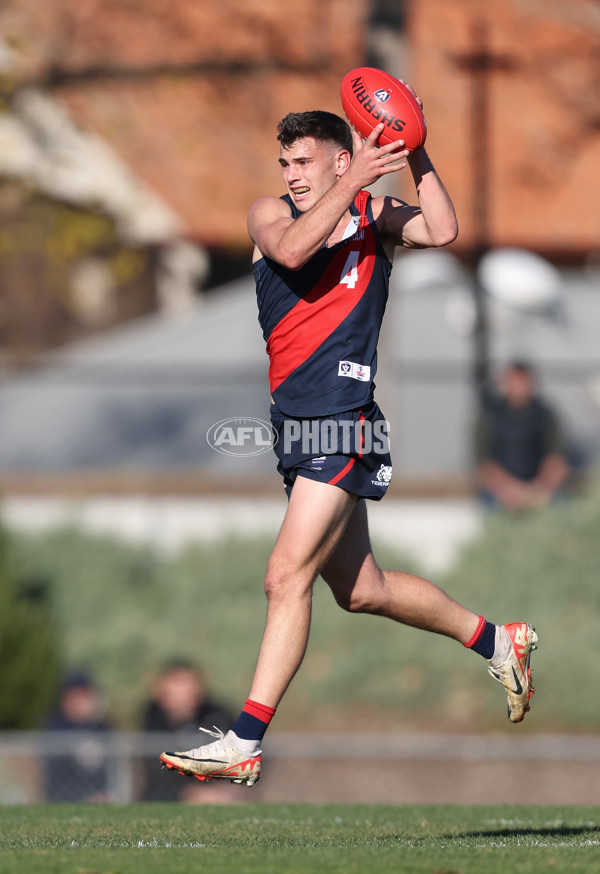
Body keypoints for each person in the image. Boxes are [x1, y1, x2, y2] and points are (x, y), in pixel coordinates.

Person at [160, 85, 538, 788]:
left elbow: (445, 230)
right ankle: (497, 639)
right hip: (293, 431)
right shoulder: (271, 214)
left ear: (343, 159)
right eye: (285, 162)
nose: (291, 175)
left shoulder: (374, 213)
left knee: (284, 576)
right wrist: (355, 184)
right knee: (361, 590)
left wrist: (415, 148)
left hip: (346, 422)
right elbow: (297, 252)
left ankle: (245, 738)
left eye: (305, 161)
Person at [474, 360, 571, 510]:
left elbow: (556, 463)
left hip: (539, 489)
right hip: (501, 491)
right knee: (488, 506)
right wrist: (510, 491)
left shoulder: (546, 414)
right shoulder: (489, 416)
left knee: (563, 504)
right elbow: (484, 466)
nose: (518, 386)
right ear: (504, 383)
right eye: (514, 380)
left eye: (523, 380)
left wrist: (538, 491)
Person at [141, 660, 233, 801]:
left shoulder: (216, 714)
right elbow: (158, 772)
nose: (187, 692)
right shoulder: (152, 720)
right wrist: (189, 793)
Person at [43, 670, 111, 802]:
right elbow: (57, 774)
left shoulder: (102, 727)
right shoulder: (56, 728)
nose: (78, 701)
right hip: (63, 798)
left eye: (83, 696)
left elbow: (109, 771)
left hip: (99, 796)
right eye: (74, 696)